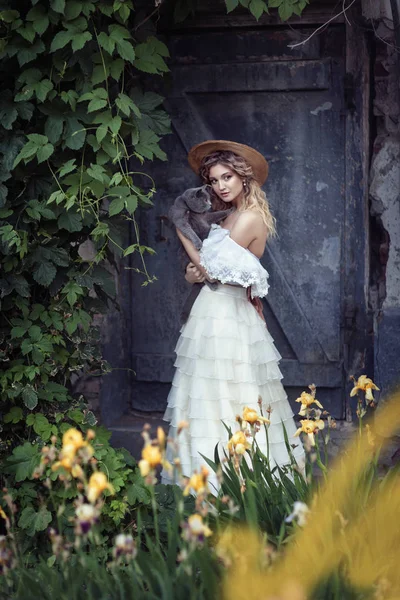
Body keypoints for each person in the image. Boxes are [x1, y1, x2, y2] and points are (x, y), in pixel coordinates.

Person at [161, 140, 304, 490]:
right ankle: (204, 486)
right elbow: (199, 272)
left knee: (234, 396)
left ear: (243, 177)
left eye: (227, 177)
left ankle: (243, 487)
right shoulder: (225, 216)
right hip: (208, 313)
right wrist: (191, 273)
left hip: (228, 318)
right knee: (204, 398)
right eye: (213, 181)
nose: (221, 186)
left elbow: (210, 264)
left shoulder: (251, 218)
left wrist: (180, 227)